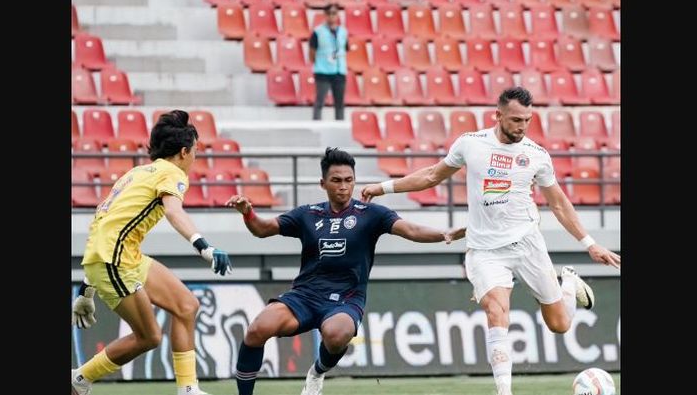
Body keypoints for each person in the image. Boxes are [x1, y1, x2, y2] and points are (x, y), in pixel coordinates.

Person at [361, 87, 621, 395]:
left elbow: (559, 203)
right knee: (497, 311)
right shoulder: (471, 145)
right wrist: (383, 187)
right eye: (515, 120)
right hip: (486, 249)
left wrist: (590, 243)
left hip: (527, 244)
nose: (521, 127)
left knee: (560, 325)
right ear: (497, 115)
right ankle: (504, 392)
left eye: (527, 120)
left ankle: (568, 284)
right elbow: (431, 175)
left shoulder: (537, 156)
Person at [226, 147, 465, 395]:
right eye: (336, 180)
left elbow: (412, 231)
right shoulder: (308, 214)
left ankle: (317, 371)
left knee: (337, 333)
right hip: (304, 296)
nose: (343, 186)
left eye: (349, 180)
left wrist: (443, 234)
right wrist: (248, 212)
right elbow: (263, 229)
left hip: (345, 299)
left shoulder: (371, 214)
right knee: (257, 330)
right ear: (323, 183)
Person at [71, 110, 232, 395]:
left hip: (121, 256)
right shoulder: (173, 173)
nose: (196, 157)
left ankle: (188, 389)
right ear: (184, 152)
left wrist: (87, 289)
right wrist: (203, 245)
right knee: (149, 337)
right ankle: (80, 378)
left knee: (187, 306)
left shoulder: (135, 174)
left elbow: (102, 227)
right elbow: (173, 211)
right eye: (195, 151)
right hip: (115, 261)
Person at [309, 3, 348, 121]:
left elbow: (345, 48)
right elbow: (312, 52)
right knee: (320, 101)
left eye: (334, 13)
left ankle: (340, 125)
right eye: (329, 14)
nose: (332, 16)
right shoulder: (318, 32)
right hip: (323, 71)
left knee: (339, 103)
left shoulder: (343, 32)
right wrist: (319, 63)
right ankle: (316, 125)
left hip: (339, 71)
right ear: (325, 15)